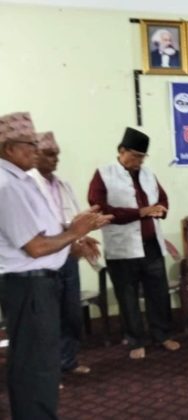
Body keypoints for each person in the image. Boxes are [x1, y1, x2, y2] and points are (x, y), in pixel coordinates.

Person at [0, 112, 111, 419]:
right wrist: (75, 231)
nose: (35, 151)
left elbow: (43, 232)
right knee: (36, 364)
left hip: (37, 283)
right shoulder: (7, 185)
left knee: (39, 361)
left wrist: (73, 238)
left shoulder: (19, 181)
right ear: (9, 148)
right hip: (28, 285)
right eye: (30, 145)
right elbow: (35, 247)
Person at [88, 127, 180, 360]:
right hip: (122, 249)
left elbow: (162, 198)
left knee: (158, 294)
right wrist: (140, 212)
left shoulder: (148, 174)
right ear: (122, 150)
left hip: (151, 245)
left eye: (143, 157)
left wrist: (160, 210)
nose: (140, 161)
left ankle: (162, 335)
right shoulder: (104, 174)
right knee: (127, 297)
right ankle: (136, 340)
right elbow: (100, 209)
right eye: (136, 156)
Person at [28, 131, 97, 378]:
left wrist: (83, 237)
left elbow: (72, 220)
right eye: (49, 154)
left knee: (71, 313)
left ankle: (68, 361)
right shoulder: (27, 186)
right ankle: (48, 371)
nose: (55, 159)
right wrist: (69, 234)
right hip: (42, 261)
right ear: (34, 154)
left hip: (68, 258)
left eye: (57, 154)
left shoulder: (63, 185)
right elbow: (34, 229)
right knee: (46, 319)